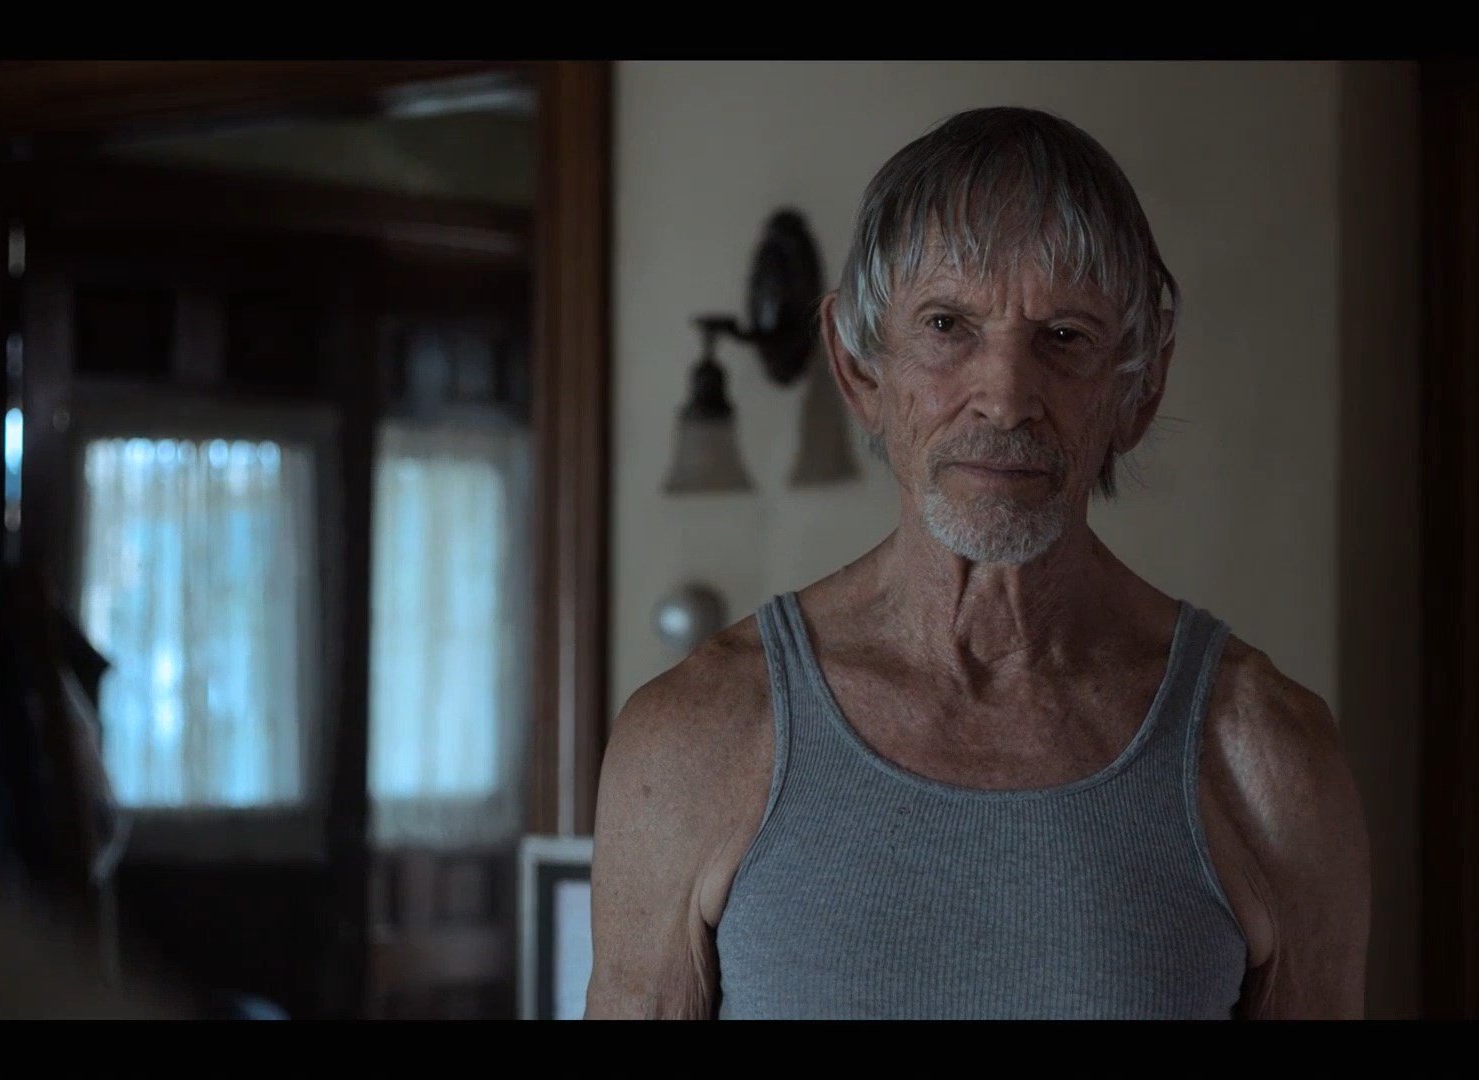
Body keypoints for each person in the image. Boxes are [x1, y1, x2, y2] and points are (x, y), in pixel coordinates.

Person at [585, 105, 1371, 1020]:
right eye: (947, 324)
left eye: (1065, 336)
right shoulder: (694, 739)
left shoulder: (1267, 758)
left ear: (1141, 386)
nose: (1005, 396)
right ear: (858, 367)